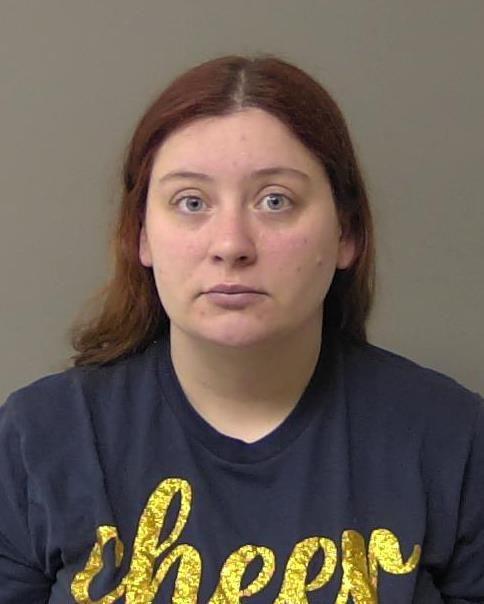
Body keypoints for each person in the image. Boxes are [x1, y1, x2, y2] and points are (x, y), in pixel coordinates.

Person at [0, 53, 482, 604]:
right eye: (191, 202)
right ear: (142, 236)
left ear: (346, 233)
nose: (231, 244)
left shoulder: (454, 439)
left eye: (275, 201)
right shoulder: (39, 439)